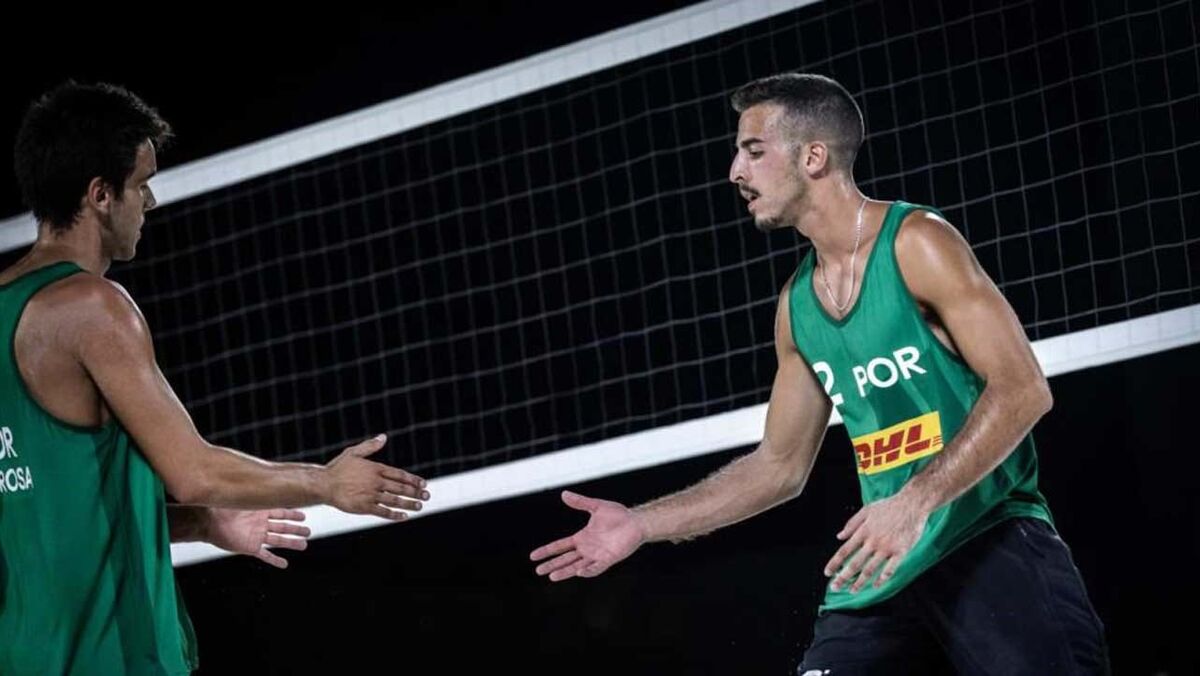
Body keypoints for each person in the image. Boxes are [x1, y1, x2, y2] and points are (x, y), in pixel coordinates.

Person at [530, 73, 1109, 674]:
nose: (735, 171)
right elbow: (778, 467)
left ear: (813, 157)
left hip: (985, 538)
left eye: (754, 151)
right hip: (877, 569)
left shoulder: (916, 243)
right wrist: (641, 523)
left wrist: (914, 502)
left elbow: (1022, 389)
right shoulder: (796, 307)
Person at [0, 81, 429, 675]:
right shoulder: (92, 306)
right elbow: (193, 472)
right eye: (140, 184)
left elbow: (49, 512)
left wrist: (202, 524)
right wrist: (327, 482)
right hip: (116, 660)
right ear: (100, 195)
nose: (150, 201)